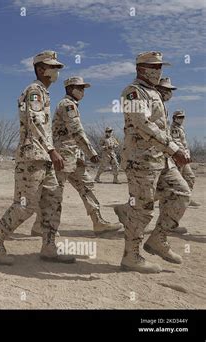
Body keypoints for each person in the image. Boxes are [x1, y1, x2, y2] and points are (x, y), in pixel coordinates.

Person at [0, 50, 70, 265]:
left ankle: (49, 246)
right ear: (41, 69)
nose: (56, 71)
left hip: (45, 158)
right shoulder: (34, 91)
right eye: (53, 67)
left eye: (58, 68)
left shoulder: (44, 93)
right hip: (32, 157)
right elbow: (35, 121)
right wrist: (52, 150)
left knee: (52, 201)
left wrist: (50, 153)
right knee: (25, 205)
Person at [114, 51, 190, 273]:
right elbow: (142, 124)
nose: (158, 72)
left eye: (160, 68)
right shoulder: (132, 93)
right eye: (153, 67)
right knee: (143, 210)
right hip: (140, 161)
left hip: (161, 159)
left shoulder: (154, 93)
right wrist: (173, 148)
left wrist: (170, 151)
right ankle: (131, 256)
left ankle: (158, 239)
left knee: (181, 193)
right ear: (140, 69)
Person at [31, 77, 122, 238]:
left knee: (86, 185)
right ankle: (40, 225)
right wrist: (91, 152)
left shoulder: (71, 104)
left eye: (83, 88)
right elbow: (77, 131)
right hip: (63, 156)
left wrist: (81, 153)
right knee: (54, 192)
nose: (83, 91)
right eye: (80, 88)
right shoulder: (68, 105)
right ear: (70, 88)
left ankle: (98, 221)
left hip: (73, 156)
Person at [170, 110, 200, 207]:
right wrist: (183, 154)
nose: (182, 119)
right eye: (180, 117)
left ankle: (186, 199)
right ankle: (176, 200)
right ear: (174, 118)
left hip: (184, 156)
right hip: (179, 157)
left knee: (189, 177)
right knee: (179, 180)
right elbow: (176, 142)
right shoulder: (174, 128)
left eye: (183, 117)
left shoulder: (180, 128)